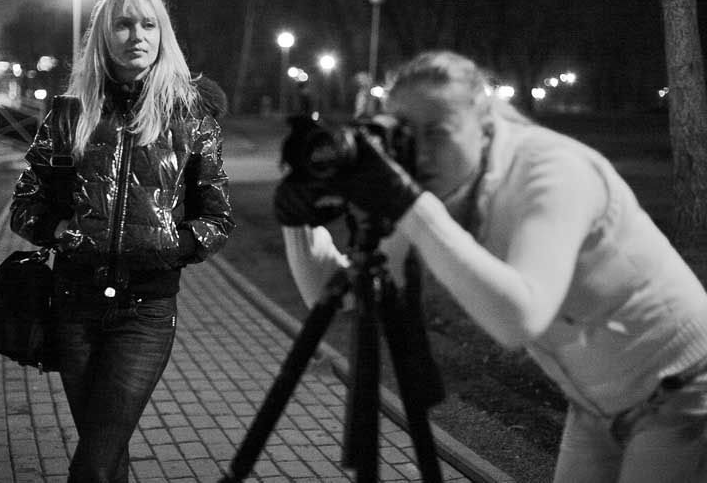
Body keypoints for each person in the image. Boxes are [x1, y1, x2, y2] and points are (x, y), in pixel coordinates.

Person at [274, 50, 707, 482]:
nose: (419, 151)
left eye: (436, 132)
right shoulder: (437, 186)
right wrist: (299, 221)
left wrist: (413, 209)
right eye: (405, 132)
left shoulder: (555, 171)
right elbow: (338, 295)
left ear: (484, 125)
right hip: (595, 403)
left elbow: (520, 318)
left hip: (682, 387)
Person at [10, 0, 235, 482]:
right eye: (124, 24)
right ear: (103, 37)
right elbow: (24, 204)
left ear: (162, 35)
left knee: (94, 460)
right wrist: (59, 231)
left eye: (149, 24)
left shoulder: (191, 117)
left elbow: (218, 218)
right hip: (74, 305)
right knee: (106, 454)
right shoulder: (69, 115)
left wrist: (171, 245)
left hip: (145, 312)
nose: (137, 35)